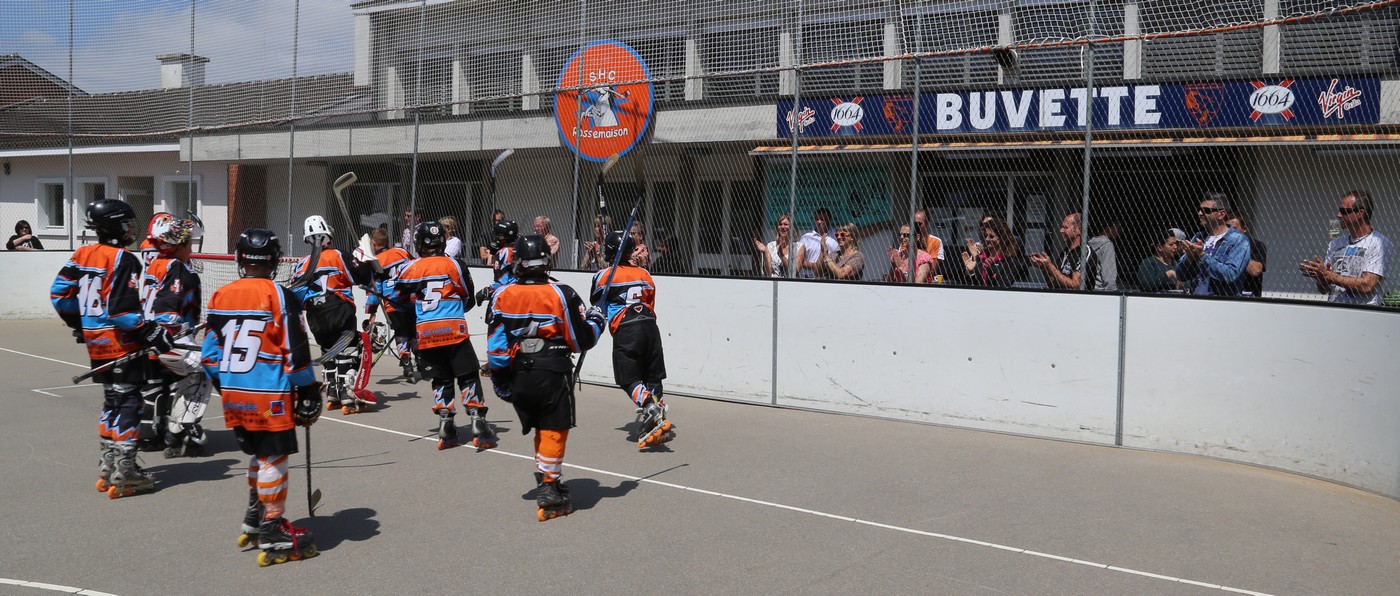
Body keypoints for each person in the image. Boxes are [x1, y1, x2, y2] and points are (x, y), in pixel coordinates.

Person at [202, 228, 322, 566]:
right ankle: (272, 525)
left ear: (240, 259)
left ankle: (255, 514)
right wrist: (308, 390)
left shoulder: (220, 295)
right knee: (274, 458)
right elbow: (295, 351)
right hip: (268, 398)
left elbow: (209, 355)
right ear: (274, 260)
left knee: (259, 455)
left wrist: (226, 387)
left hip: (234, 397)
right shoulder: (280, 295)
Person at [52, 198, 171, 499]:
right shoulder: (124, 259)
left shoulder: (82, 253)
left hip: (96, 342)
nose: (130, 229)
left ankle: (109, 465)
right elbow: (122, 312)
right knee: (129, 403)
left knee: (112, 401)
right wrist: (150, 331)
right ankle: (126, 470)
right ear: (115, 227)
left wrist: (81, 324)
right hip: (121, 343)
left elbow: (59, 293)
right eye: (126, 224)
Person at [485, 234, 606, 521]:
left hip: (519, 371)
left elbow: (496, 348)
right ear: (547, 261)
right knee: (554, 425)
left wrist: (500, 379)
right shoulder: (561, 292)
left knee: (540, 423)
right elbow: (580, 340)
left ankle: (547, 475)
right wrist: (596, 321)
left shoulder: (501, 294)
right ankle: (550, 487)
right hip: (551, 369)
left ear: (518, 262)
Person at [395, 221, 497, 450]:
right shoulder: (455, 264)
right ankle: (478, 421)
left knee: (441, 378)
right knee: (468, 375)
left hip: (426, 333)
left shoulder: (410, 268)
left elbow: (398, 298)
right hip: (453, 330)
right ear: (442, 241)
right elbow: (467, 297)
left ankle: (446, 425)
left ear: (419, 243)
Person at [591, 230, 675, 449]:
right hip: (649, 325)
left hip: (626, 329)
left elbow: (598, 304)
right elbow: (650, 301)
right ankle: (657, 417)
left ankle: (649, 406)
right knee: (652, 375)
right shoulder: (645, 274)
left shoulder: (603, 276)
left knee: (628, 378)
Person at [140, 213, 211, 458]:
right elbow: (167, 311)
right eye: (189, 242)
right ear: (178, 245)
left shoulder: (156, 263)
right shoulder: (176, 267)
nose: (191, 247)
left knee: (177, 382)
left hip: (152, 338)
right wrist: (174, 336)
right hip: (171, 340)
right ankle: (181, 430)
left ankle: (167, 430)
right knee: (204, 371)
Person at [291, 215, 376, 412]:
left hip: (314, 314)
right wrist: (365, 259)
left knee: (328, 349)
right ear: (327, 235)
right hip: (338, 307)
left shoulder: (302, 263)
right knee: (348, 349)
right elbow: (361, 277)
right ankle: (347, 395)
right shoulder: (338, 255)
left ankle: (332, 392)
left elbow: (297, 294)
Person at [1300, 190, 1394, 305]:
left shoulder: (1379, 242)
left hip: (1363, 312)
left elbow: (1367, 286)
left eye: (1344, 211)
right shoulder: (1335, 243)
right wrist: (1322, 277)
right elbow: (1324, 290)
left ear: (1360, 213)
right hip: (1335, 310)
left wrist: (1329, 275)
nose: (1338, 215)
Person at [363, 228, 418, 381]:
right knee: (413, 331)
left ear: (373, 243)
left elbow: (375, 289)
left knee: (401, 333)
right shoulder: (402, 252)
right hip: (410, 298)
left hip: (393, 303)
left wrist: (372, 312)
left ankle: (407, 364)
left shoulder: (375, 262)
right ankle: (421, 359)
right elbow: (416, 268)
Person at [1178, 193, 1251, 296]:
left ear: (1221, 214)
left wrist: (1202, 256)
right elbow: (1180, 275)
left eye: (1206, 210)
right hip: (1195, 300)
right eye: (1200, 209)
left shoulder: (1238, 240)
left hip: (1220, 302)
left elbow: (1230, 274)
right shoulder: (1199, 237)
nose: (1200, 213)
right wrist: (1189, 258)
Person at [1029, 213, 1115, 291]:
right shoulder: (1065, 253)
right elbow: (1053, 284)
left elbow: (1075, 285)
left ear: (1079, 230)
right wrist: (1044, 268)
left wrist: (1050, 265)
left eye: (1065, 227)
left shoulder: (1085, 253)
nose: (1061, 230)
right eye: (1062, 227)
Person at [962, 216, 1027, 287]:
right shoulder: (981, 256)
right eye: (986, 235)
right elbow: (969, 284)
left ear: (1002, 238)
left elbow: (1002, 286)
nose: (987, 239)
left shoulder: (1010, 262)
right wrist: (971, 271)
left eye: (991, 236)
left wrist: (990, 271)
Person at [475, 219, 519, 308]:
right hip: (522, 293)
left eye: (498, 235)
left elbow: (502, 280)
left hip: (510, 296)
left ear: (503, 237)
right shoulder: (520, 249)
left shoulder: (505, 252)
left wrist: (486, 291)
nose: (495, 238)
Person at [1226, 212, 1267, 297]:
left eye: (1234, 228)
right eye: (1227, 227)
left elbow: (1255, 270)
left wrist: (1236, 250)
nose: (1229, 232)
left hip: (1247, 296)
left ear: (1244, 229)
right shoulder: (1220, 244)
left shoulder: (1256, 245)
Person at [794, 208, 839, 279]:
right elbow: (798, 260)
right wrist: (813, 266)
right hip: (809, 278)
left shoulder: (837, 235)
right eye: (817, 219)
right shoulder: (806, 238)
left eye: (822, 219)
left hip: (830, 277)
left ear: (829, 219)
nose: (819, 222)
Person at [1137, 229, 1186, 293]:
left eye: (1176, 244)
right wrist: (1168, 274)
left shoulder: (1177, 264)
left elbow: (1187, 284)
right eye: (1171, 244)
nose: (1175, 247)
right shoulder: (1149, 263)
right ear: (1160, 247)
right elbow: (1147, 285)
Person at [913, 209, 945, 278]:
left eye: (919, 224)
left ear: (927, 224)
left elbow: (932, 270)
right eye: (915, 224)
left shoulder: (935, 241)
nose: (917, 226)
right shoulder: (906, 240)